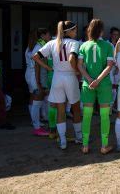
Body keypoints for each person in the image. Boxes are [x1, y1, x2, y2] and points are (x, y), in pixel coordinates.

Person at [33, 21, 82, 149]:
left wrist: (49, 68)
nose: (76, 32)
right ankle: (79, 137)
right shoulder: (74, 43)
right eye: (74, 30)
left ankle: (62, 140)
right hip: (70, 77)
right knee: (75, 108)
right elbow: (72, 59)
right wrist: (75, 70)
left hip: (57, 77)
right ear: (69, 31)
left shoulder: (51, 42)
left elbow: (36, 57)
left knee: (60, 109)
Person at [78, 19, 114, 154]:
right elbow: (109, 66)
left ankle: (85, 146)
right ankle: (104, 146)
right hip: (103, 84)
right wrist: (98, 80)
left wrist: (89, 79)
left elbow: (79, 65)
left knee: (87, 115)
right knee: (105, 116)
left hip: (88, 85)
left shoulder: (84, 46)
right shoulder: (108, 45)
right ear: (101, 31)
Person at [25, 28, 51, 136]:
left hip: (28, 74)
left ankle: (35, 122)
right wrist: (39, 82)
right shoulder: (39, 47)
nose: (49, 36)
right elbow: (37, 66)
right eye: (48, 34)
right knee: (38, 100)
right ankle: (37, 127)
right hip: (35, 75)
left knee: (33, 98)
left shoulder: (29, 47)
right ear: (41, 36)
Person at [108, 27, 120, 111]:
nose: (115, 36)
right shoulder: (107, 43)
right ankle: (108, 106)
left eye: (117, 35)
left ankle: (112, 106)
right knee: (110, 88)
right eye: (114, 34)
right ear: (110, 34)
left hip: (118, 69)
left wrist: (118, 66)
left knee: (115, 89)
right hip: (109, 68)